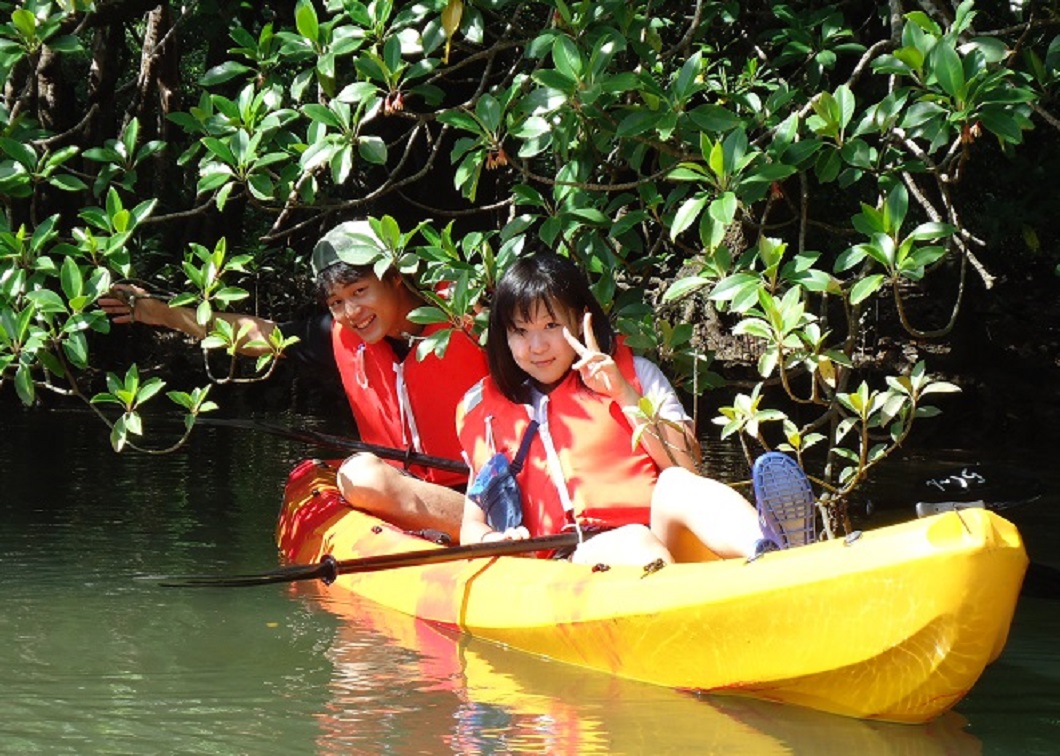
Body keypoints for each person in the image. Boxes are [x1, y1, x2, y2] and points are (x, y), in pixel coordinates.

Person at [99, 220, 488, 540]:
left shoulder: (472, 319)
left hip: (492, 493)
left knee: (363, 476)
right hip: (413, 491)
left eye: (360, 291)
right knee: (363, 475)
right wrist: (160, 313)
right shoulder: (342, 338)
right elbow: (260, 335)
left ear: (395, 277)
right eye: (336, 302)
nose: (352, 312)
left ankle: (489, 531)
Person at [456, 252, 808, 565]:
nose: (536, 346)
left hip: (658, 534)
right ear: (504, 336)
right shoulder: (489, 414)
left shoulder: (637, 375)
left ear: (580, 320)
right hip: (571, 561)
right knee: (635, 541)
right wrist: (490, 540)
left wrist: (623, 394)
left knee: (676, 483)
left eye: (551, 325)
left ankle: (770, 552)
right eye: (520, 331)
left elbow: (686, 466)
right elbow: (472, 523)